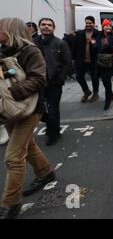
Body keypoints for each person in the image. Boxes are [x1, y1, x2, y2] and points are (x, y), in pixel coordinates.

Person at [0, 18, 55, 219]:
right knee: (27, 145)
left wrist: (14, 91)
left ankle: (10, 203)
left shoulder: (31, 52)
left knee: (13, 156)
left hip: (30, 109)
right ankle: (45, 172)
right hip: (9, 110)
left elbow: (40, 79)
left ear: (10, 30)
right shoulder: (3, 50)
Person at [34, 18, 72, 146]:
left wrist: (60, 78)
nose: (46, 27)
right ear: (39, 27)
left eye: (49, 25)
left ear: (53, 28)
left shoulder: (60, 43)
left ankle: (53, 134)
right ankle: (52, 126)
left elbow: (67, 63)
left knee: (53, 108)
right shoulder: (33, 43)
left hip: (54, 82)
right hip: (37, 82)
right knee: (39, 109)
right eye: (43, 25)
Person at [70, 16, 100, 103]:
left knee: (95, 78)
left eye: (90, 23)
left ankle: (95, 93)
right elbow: (74, 46)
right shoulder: (79, 33)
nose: (88, 25)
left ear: (94, 23)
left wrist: (94, 44)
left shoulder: (98, 34)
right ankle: (86, 91)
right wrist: (73, 58)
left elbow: (100, 47)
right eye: (86, 23)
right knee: (79, 77)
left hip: (93, 60)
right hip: (81, 60)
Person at [97, 19, 113, 110]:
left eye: (109, 26)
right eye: (106, 26)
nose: (108, 27)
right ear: (103, 27)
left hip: (111, 62)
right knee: (105, 82)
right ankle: (110, 94)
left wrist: (107, 45)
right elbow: (98, 49)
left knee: (108, 82)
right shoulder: (98, 37)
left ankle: (107, 100)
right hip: (101, 63)